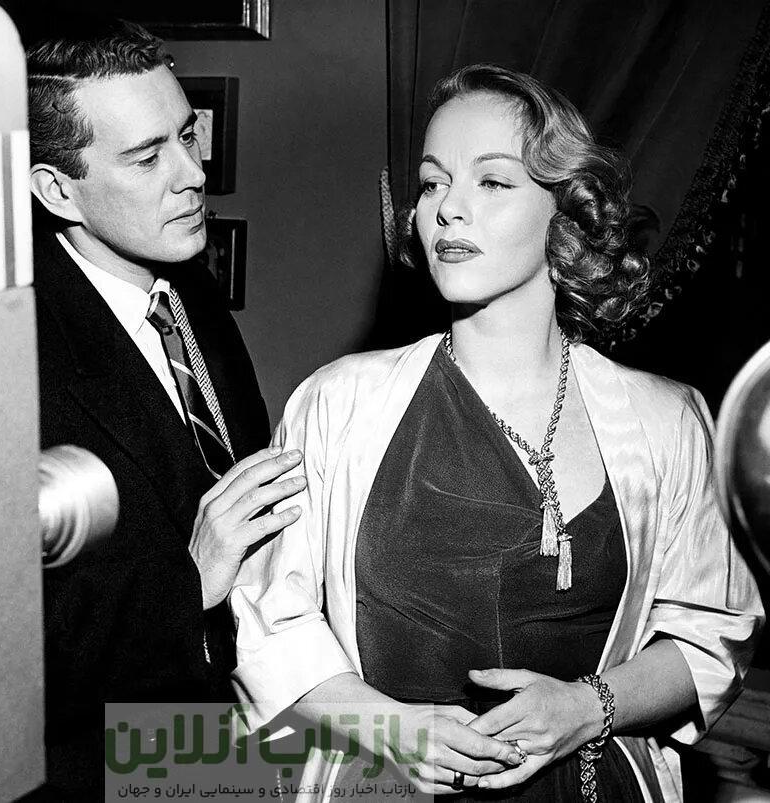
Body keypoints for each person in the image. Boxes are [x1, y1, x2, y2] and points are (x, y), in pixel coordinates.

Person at [230, 64, 764, 801]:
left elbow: (712, 631)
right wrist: (389, 727)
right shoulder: (335, 405)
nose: (449, 209)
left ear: (566, 213)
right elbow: (269, 622)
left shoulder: (667, 419)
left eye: (491, 181)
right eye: (432, 183)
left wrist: (587, 707)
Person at [26, 21, 305, 795]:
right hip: (105, 763)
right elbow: (5, 649)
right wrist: (190, 579)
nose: (192, 173)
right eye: (148, 157)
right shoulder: (12, 356)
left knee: (400, 772)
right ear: (56, 189)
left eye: (187, 136)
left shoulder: (188, 289)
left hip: (233, 716)